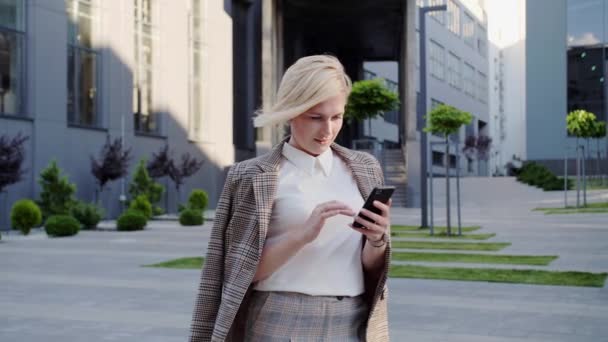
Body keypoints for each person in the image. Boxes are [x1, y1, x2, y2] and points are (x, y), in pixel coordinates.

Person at [189, 54, 391, 341]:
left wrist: (377, 239)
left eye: (337, 117)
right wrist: (302, 236)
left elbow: (370, 267)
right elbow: (238, 273)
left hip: (352, 320)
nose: (328, 130)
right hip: (280, 319)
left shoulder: (365, 168)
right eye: (315, 118)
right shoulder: (252, 176)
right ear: (291, 112)